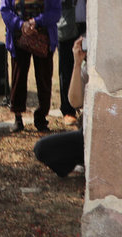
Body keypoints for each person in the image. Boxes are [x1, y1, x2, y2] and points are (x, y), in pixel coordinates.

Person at [0, 0, 61, 133]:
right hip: (19, 39)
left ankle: (41, 117)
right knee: (18, 79)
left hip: (43, 39)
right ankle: (18, 117)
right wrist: (21, 25)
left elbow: (55, 11)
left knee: (44, 79)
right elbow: (5, 9)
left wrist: (36, 22)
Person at [48, 0, 89, 126]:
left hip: (88, 25)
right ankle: (68, 110)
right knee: (66, 67)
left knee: (89, 67)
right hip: (66, 25)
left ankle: (87, 105)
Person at [33, 35, 87, 176]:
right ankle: (77, 163)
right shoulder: (89, 67)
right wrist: (77, 64)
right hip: (87, 135)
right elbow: (75, 102)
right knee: (41, 148)